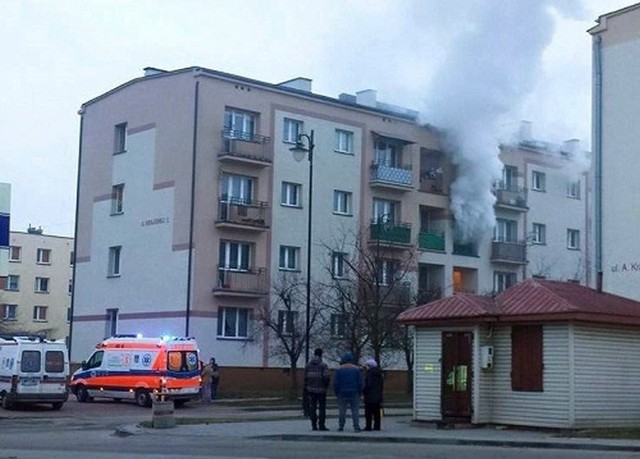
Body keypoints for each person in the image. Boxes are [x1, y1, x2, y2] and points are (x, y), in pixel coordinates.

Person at [333, 352, 363, 432]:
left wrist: (337, 392)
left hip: (342, 393)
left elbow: (336, 383)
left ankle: (341, 426)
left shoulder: (339, 369)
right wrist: (360, 392)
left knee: (342, 410)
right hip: (354, 392)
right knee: (355, 410)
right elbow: (360, 382)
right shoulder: (357, 369)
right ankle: (356, 426)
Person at [304, 348, 330, 431]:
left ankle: (314, 425)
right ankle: (321, 425)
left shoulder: (308, 365)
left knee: (313, 407)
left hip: (311, 389)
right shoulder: (323, 365)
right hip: (321, 389)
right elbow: (326, 377)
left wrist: (307, 386)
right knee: (322, 408)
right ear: (321, 354)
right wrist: (326, 385)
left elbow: (305, 377)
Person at [363, 358, 384, 431]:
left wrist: (364, 391)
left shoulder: (369, 374)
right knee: (377, 412)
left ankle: (368, 427)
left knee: (368, 412)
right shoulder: (379, 374)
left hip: (369, 396)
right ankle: (377, 426)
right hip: (378, 396)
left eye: (366, 366)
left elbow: (368, 385)